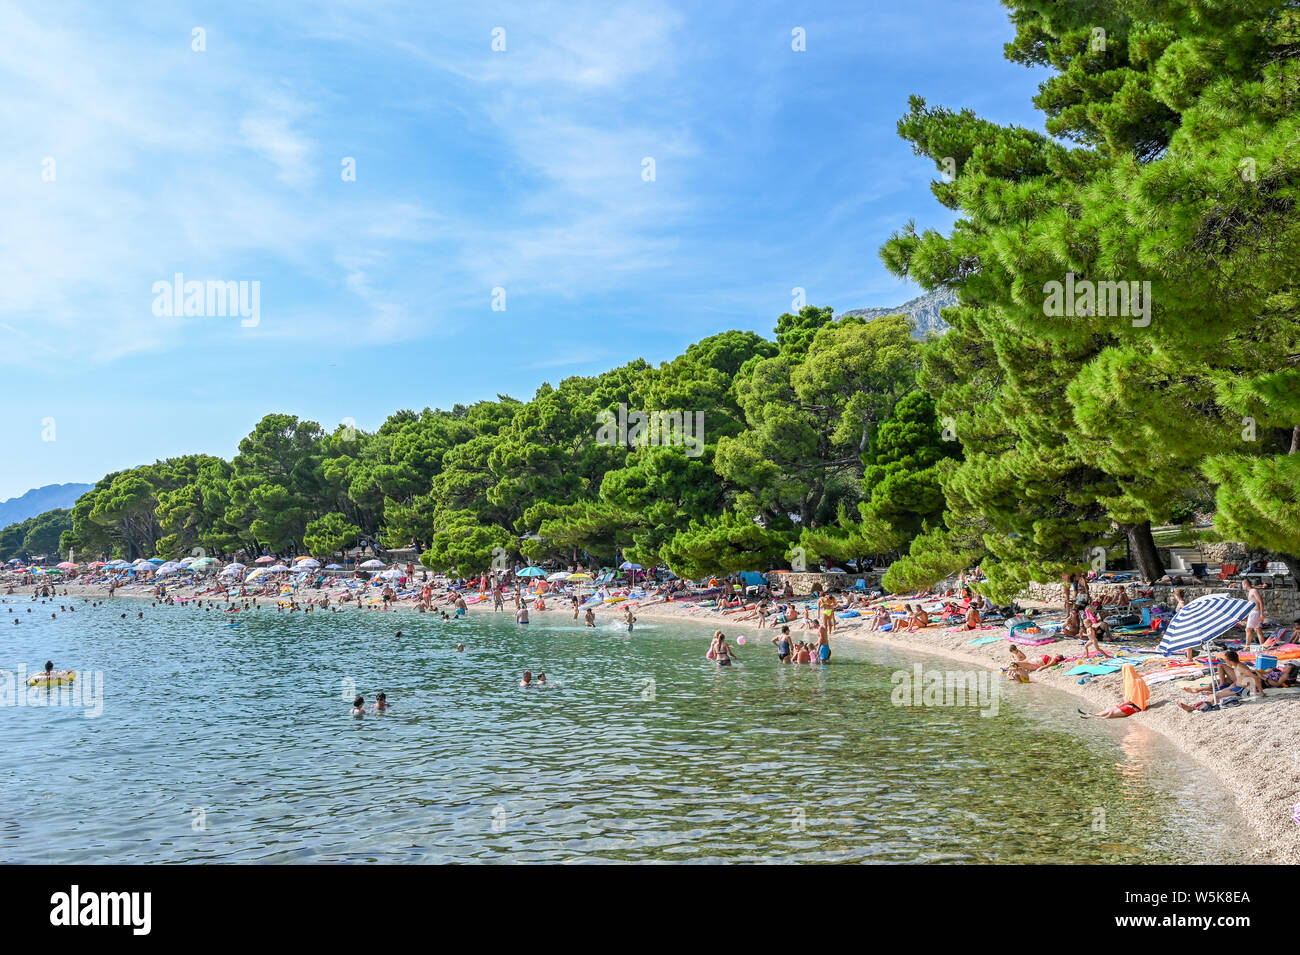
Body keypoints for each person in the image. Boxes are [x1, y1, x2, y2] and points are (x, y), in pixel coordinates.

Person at [1080, 664, 1149, 718]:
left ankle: (1096, 718)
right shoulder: (1131, 680)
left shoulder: (1136, 682)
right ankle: (1092, 715)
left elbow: (1135, 697)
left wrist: (1124, 703)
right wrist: (1124, 703)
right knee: (1109, 709)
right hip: (1129, 703)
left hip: (1136, 706)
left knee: (1111, 714)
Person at [1242, 578, 1265, 650]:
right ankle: (1263, 646)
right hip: (1253, 612)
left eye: (1243, 585)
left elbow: (1260, 601)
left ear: (1245, 585)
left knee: (1248, 629)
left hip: (1255, 612)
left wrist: (1262, 613)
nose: (1242, 586)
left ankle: (1247, 647)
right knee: (1257, 629)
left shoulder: (1254, 591)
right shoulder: (1251, 591)